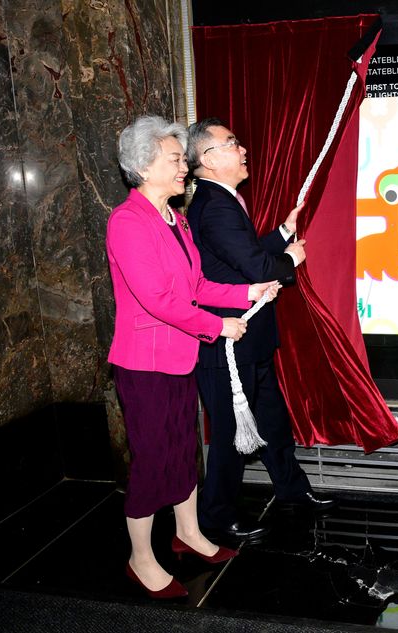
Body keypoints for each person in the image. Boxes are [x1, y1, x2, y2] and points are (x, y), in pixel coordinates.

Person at [107, 115, 280, 599]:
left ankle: (188, 534)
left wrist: (247, 290)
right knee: (152, 460)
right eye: (175, 159)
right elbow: (158, 299)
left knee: (184, 451)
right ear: (143, 166)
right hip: (144, 365)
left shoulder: (176, 218)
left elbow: (198, 285)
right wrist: (217, 325)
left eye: (183, 158)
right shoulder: (127, 221)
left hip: (178, 358)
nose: (184, 167)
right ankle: (141, 559)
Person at [184, 118, 333, 542]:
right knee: (232, 436)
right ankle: (216, 515)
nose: (243, 149)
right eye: (232, 143)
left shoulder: (224, 200)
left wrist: (283, 234)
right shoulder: (215, 206)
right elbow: (257, 268)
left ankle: (292, 490)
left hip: (251, 339)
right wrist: (291, 262)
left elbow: (241, 256)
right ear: (208, 160)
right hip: (228, 341)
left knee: (271, 420)